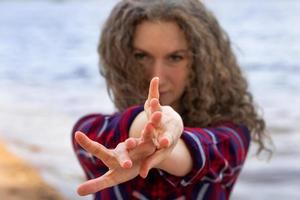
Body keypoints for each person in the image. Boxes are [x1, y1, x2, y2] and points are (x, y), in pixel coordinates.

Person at [72, 0, 271, 199]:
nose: (156, 76)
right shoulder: (97, 137)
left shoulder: (231, 138)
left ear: (201, 63)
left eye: (175, 58)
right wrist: (147, 125)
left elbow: (197, 153)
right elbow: (90, 134)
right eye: (141, 56)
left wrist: (165, 136)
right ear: (120, 58)